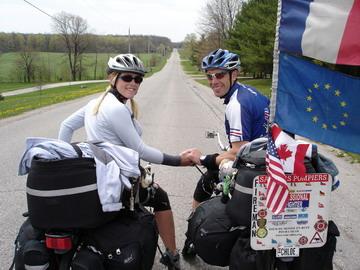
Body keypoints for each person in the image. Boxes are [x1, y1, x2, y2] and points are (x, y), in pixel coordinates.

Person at [58, 53, 192, 269]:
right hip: (121, 179)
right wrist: (179, 161)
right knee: (161, 199)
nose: (133, 83)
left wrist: (64, 159)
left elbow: (66, 127)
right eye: (127, 78)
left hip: (99, 173)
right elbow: (140, 150)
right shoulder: (116, 108)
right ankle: (172, 255)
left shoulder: (97, 103)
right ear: (113, 77)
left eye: (138, 79)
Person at [182, 48, 269, 257]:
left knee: (207, 179)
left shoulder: (236, 104)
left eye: (219, 74)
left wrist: (203, 158)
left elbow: (238, 152)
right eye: (209, 76)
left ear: (234, 74)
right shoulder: (254, 93)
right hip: (273, 159)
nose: (213, 81)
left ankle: (191, 237)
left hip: (256, 168)